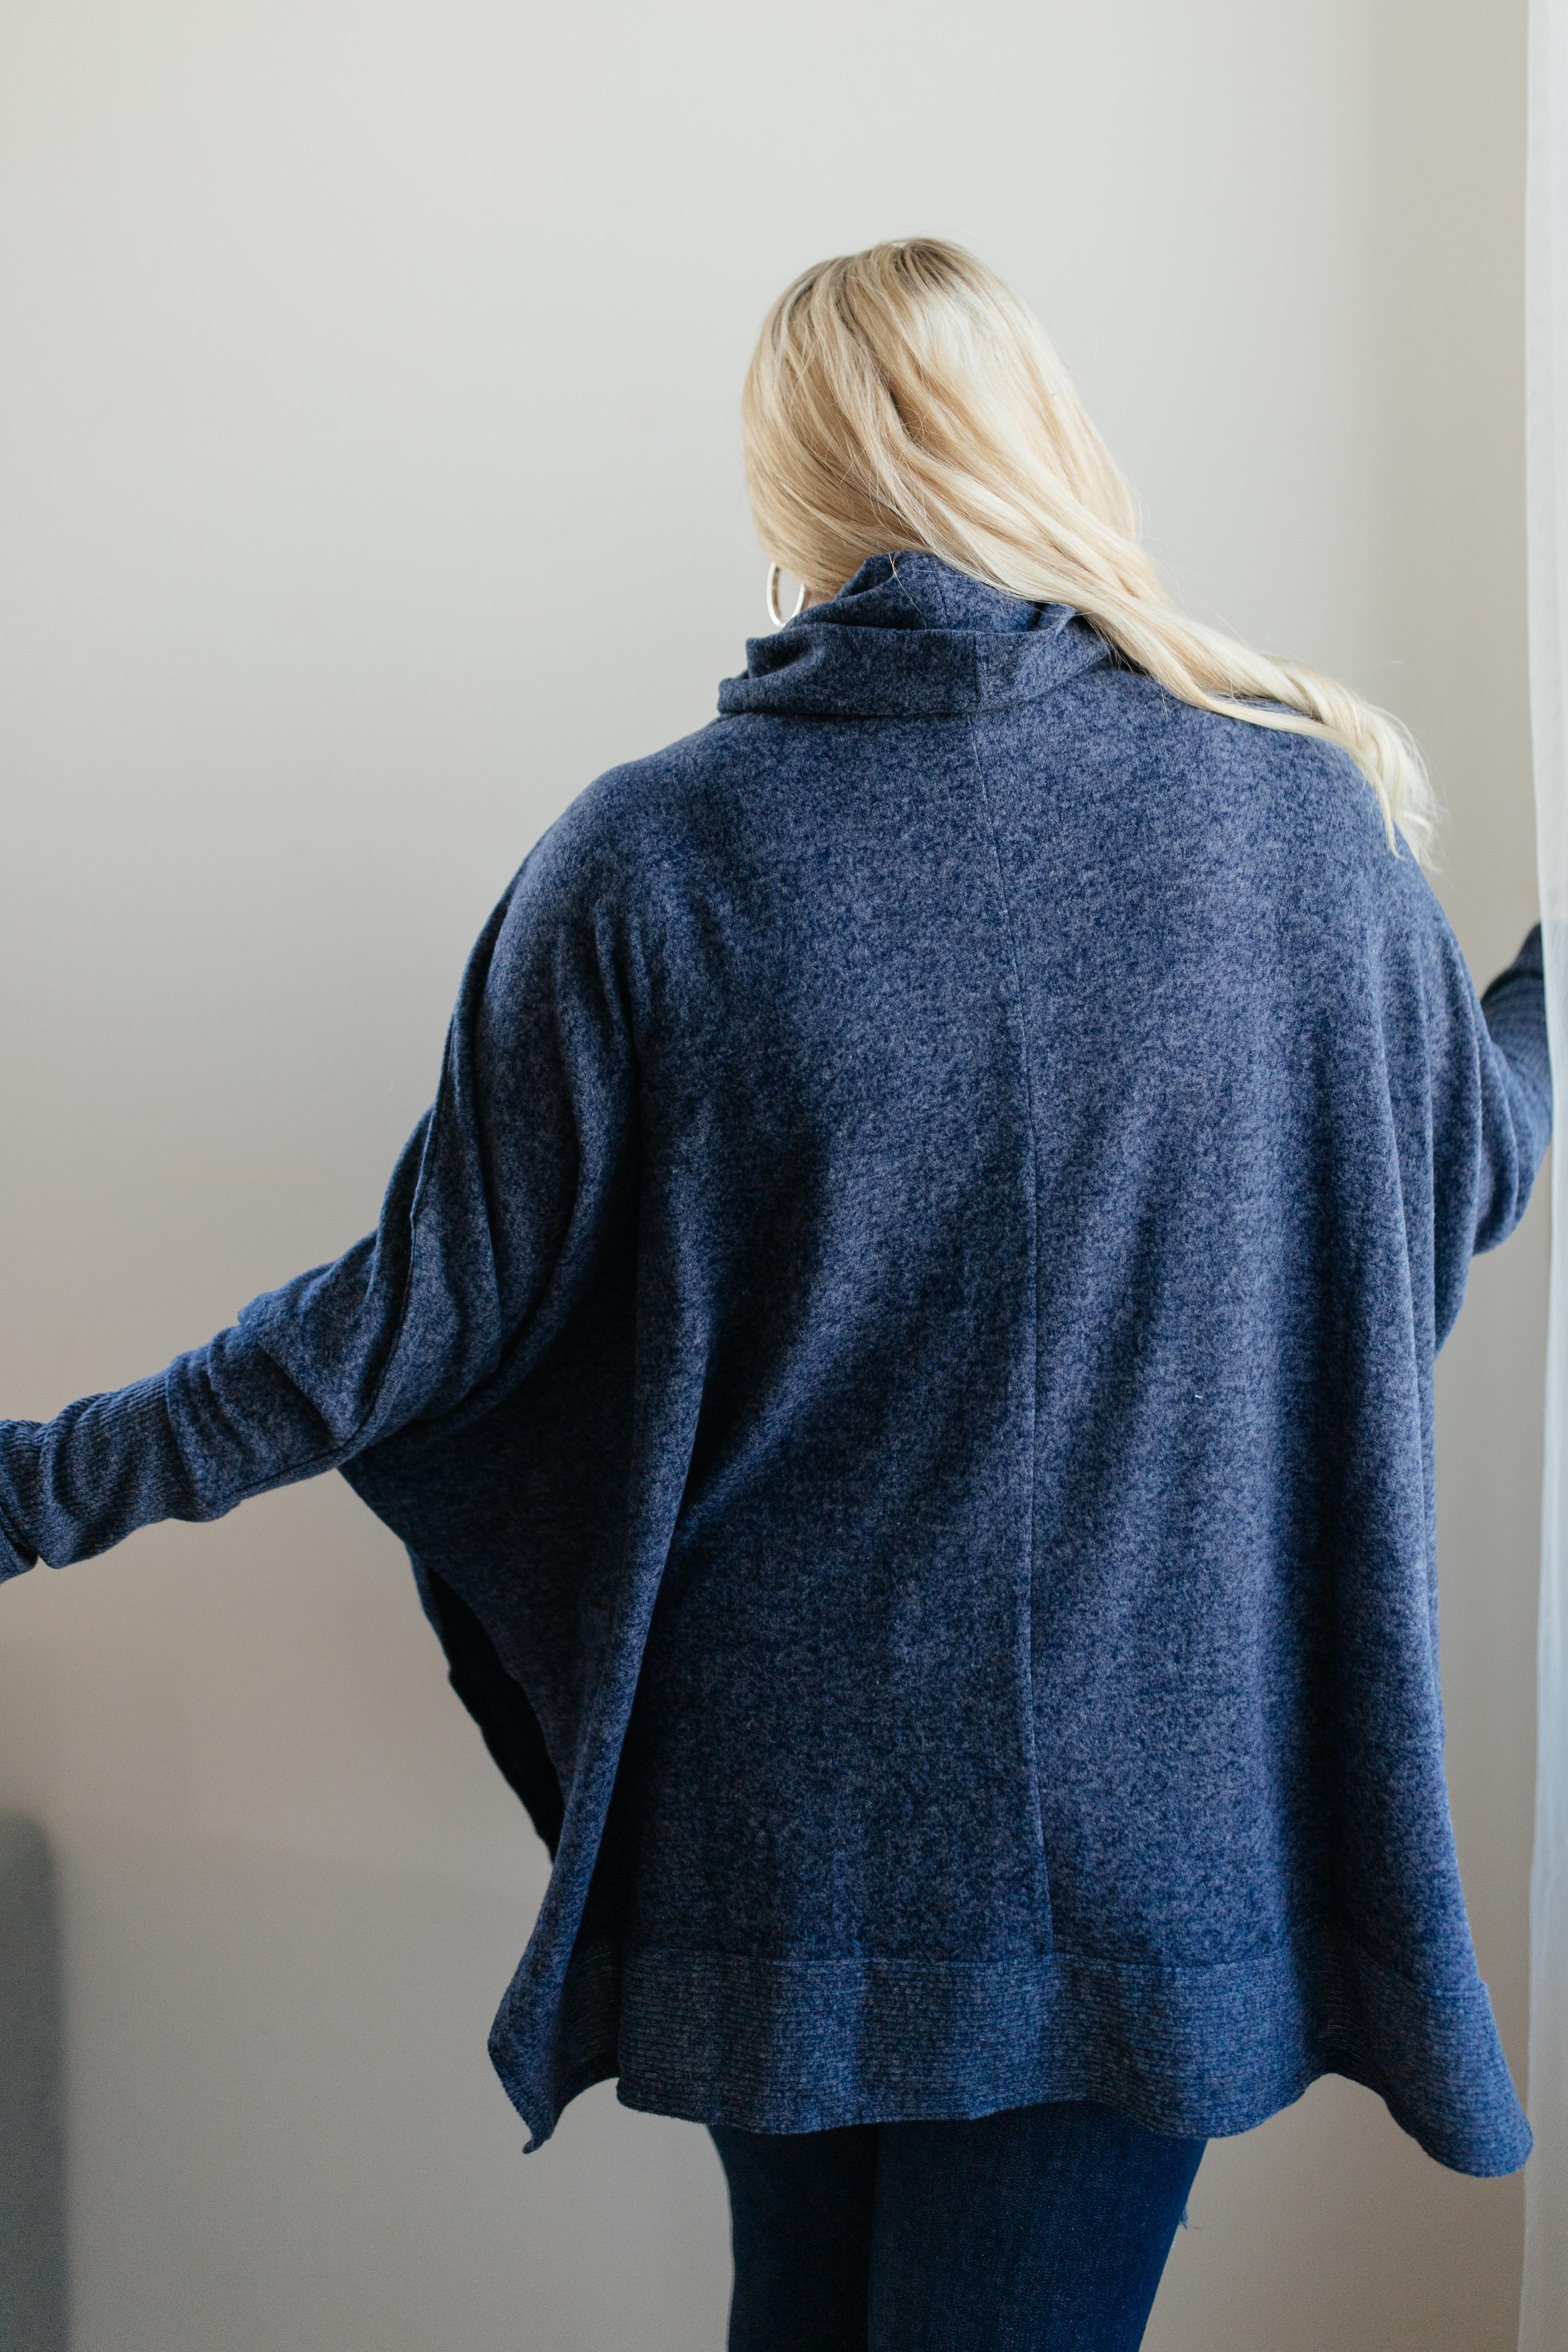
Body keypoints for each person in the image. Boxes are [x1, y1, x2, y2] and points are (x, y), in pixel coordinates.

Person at [0, 238, 1550, 2351]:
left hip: (783, 1837)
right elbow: (1439, 1173)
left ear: (790, 482)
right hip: (1137, 1850)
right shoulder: (1292, 830)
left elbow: (402, 1321)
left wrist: (34, 1486)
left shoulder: (653, 856)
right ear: (1047, 445)